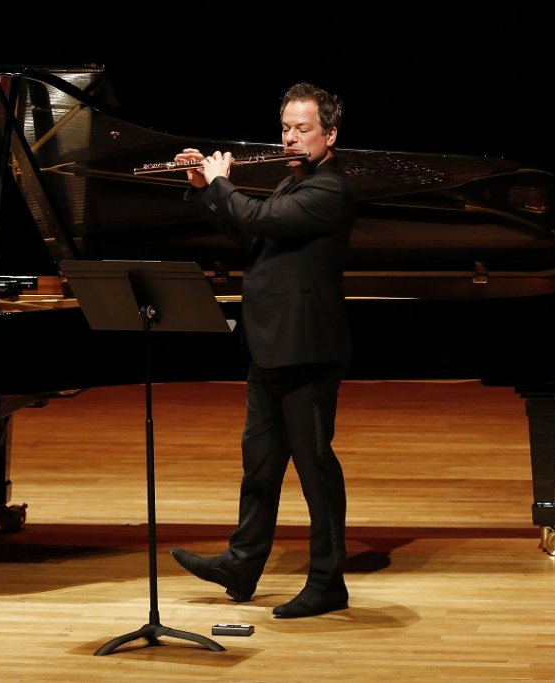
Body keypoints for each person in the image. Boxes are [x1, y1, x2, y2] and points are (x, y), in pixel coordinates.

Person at [169, 82, 355, 618]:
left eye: (303, 129)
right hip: (271, 347)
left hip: (307, 351)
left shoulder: (331, 190)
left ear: (330, 134)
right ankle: (242, 563)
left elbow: (256, 219)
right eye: (285, 129)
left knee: (314, 466)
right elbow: (249, 234)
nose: (291, 138)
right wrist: (203, 186)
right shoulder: (288, 183)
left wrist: (223, 182)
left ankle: (328, 581)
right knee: (260, 466)